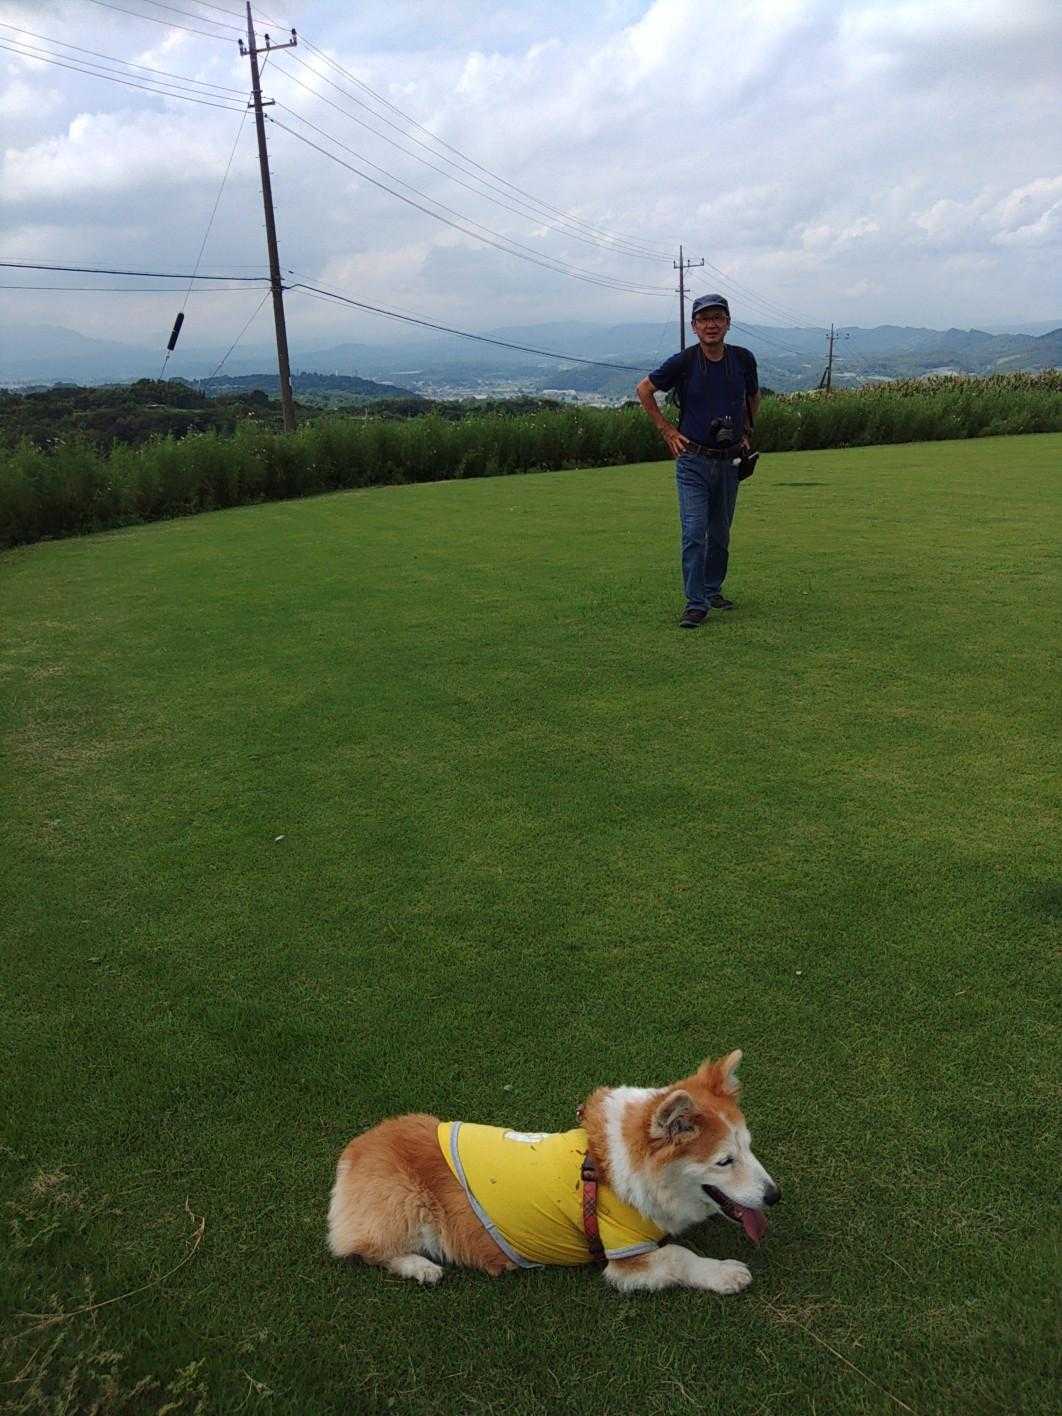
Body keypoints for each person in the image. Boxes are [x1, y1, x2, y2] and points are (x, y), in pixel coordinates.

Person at [636, 295, 760, 628]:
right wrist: (667, 431)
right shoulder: (684, 361)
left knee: (720, 533)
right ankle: (695, 603)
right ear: (694, 326)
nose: (711, 325)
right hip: (692, 459)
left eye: (718, 317)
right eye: (704, 319)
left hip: (730, 460)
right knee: (694, 533)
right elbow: (644, 389)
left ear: (728, 323)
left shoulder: (743, 359)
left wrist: (746, 431)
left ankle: (711, 589)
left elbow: (753, 396)